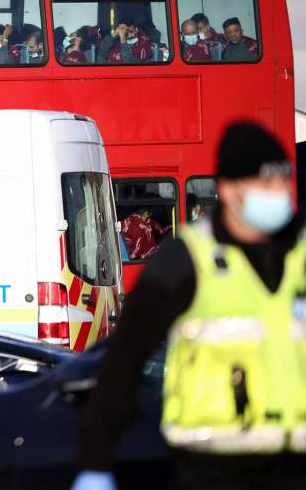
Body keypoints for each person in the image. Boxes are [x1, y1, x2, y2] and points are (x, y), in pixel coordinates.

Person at [72, 121, 306, 490]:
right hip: (211, 470)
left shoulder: (302, 255)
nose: (277, 193)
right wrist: (96, 463)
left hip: (296, 469)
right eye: (264, 184)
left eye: (282, 182)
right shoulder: (186, 259)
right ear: (228, 190)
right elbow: (124, 360)